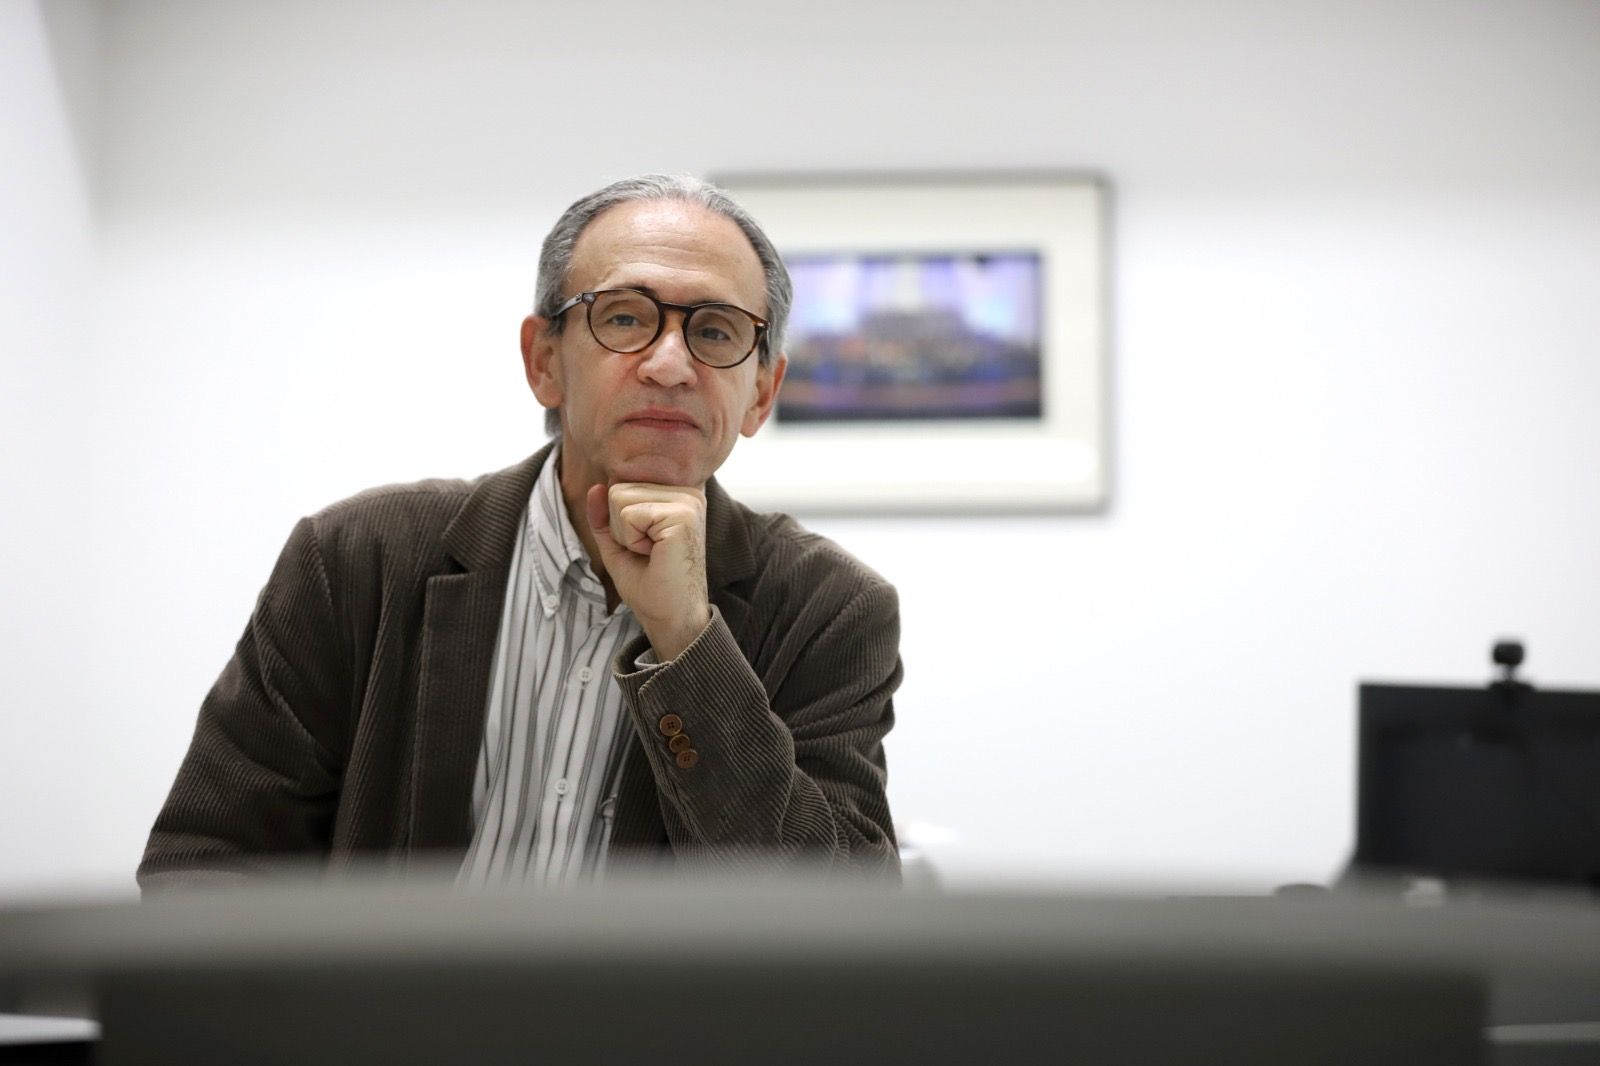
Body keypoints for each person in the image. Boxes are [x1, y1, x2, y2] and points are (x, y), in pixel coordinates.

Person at [137, 175, 902, 891]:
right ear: (544, 362)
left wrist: (688, 644)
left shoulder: (830, 610)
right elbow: (206, 870)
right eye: (625, 317)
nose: (670, 365)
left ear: (761, 393)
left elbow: (841, 920)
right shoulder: (356, 560)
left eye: (715, 330)